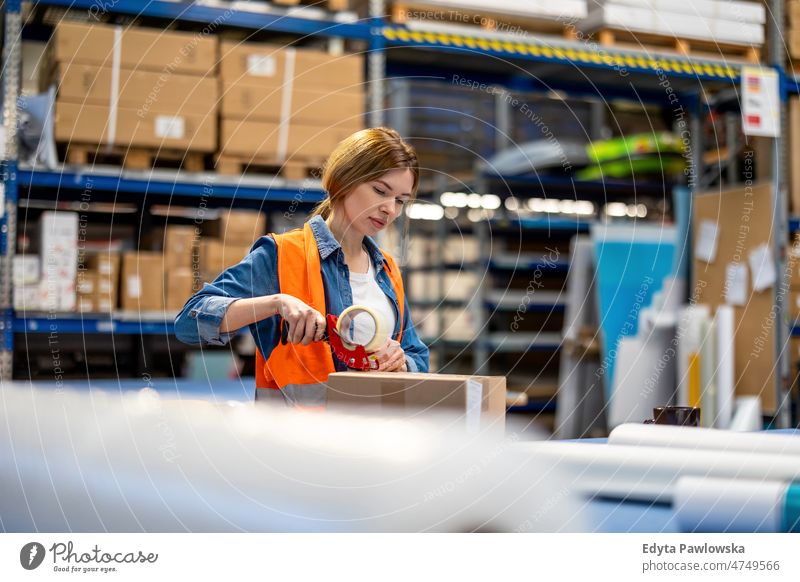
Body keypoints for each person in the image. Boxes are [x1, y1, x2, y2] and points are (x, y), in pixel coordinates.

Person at [175, 127, 430, 406]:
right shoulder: (283, 254)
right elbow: (190, 322)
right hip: (294, 440)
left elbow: (417, 354)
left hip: (370, 438)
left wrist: (401, 361)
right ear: (344, 179)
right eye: (380, 191)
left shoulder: (387, 269)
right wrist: (275, 303)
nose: (390, 209)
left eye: (400, 201)